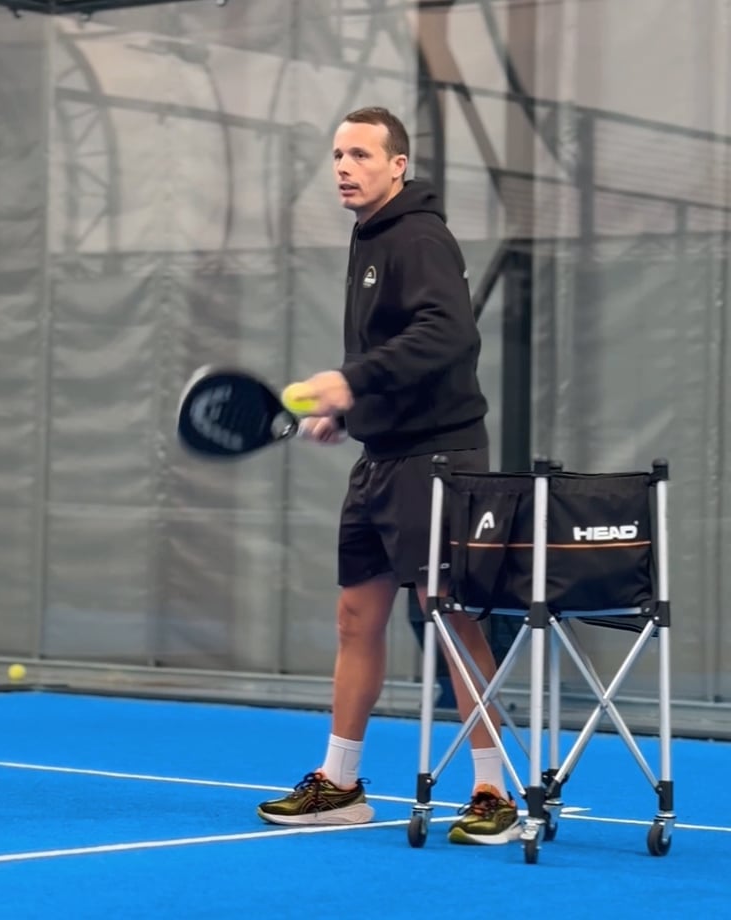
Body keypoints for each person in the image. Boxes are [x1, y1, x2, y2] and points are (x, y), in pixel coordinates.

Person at [256, 106, 519, 845]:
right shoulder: (368, 236)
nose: (344, 166)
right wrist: (352, 407)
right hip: (382, 461)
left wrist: (347, 379)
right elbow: (394, 352)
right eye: (337, 153)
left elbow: (447, 332)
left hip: (440, 460)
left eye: (361, 154)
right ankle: (340, 783)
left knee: (454, 623)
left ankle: (494, 792)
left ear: (397, 164)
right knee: (355, 619)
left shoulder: (419, 235)